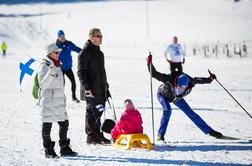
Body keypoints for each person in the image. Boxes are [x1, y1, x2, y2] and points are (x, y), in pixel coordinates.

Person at [146, 54, 223, 143]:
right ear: (176, 81)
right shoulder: (168, 78)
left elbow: (200, 80)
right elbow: (154, 74)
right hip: (163, 95)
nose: (179, 89)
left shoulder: (191, 82)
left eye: (182, 88)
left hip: (175, 98)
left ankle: (210, 131)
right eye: (178, 87)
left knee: (190, 113)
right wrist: (149, 63)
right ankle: (160, 135)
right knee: (168, 110)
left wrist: (210, 79)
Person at [38, 43, 78, 158]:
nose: (58, 54)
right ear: (49, 53)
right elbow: (42, 84)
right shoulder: (44, 65)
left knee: (64, 123)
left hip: (59, 99)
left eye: (58, 52)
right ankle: (48, 150)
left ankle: (64, 148)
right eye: (56, 52)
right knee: (47, 124)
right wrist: (50, 74)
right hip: (48, 100)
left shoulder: (57, 63)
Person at [77, 28, 111, 144]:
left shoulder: (100, 53)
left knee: (99, 111)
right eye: (98, 36)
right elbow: (81, 72)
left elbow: (102, 72)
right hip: (90, 89)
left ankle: (98, 134)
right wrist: (86, 87)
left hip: (100, 88)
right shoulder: (84, 53)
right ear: (91, 37)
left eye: (101, 36)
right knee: (91, 112)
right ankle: (91, 136)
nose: (101, 38)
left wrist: (106, 87)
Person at [56, 30, 81, 103]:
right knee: (62, 84)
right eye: (61, 36)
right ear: (58, 37)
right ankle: (61, 98)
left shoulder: (69, 44)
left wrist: (84, 51)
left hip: (68, 68)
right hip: (60, 69)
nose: (63, 37)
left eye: (63, 36)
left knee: (73, 82)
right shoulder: (56, 45)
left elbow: (77, 49)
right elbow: (51, 56)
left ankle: (74, 97)